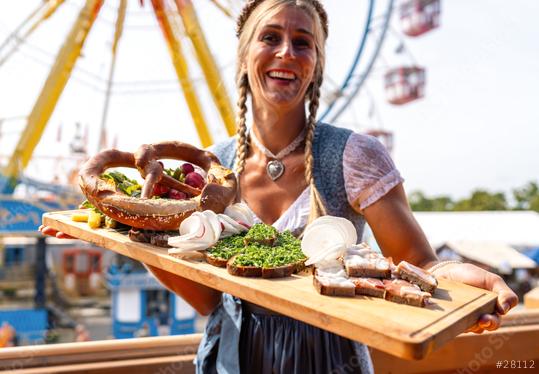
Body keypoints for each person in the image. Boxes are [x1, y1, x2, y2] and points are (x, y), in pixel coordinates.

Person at [41, 0, 518, 372]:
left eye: (303, 42)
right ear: (247, 55)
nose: (286, 52)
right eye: (271, 37)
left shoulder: (354, 156)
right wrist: (128, 239)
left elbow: (419, 264)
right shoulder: (212, 170)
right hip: (231, 357)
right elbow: (214, 298)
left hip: (330, 359)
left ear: (317, 64)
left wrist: (460, 277)